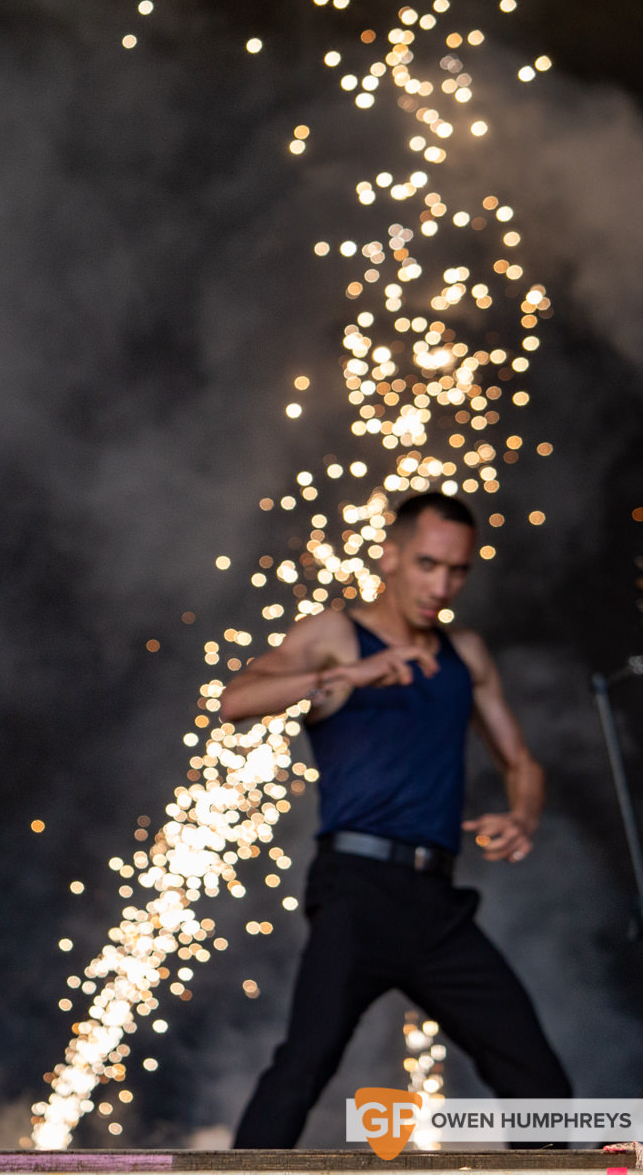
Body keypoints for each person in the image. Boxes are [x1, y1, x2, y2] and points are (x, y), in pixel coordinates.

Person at [223, 491, 570, 1148]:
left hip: (437, 907)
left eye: (458, 571)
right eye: (428, 565)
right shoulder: (334, 634)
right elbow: (236, 700)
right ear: (390, 557)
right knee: (301, 1069)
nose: (442, 585)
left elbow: (523, 762)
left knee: (544, 1091)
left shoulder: (466, 653)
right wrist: (348, 673)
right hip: (357, 890)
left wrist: (522, 815)